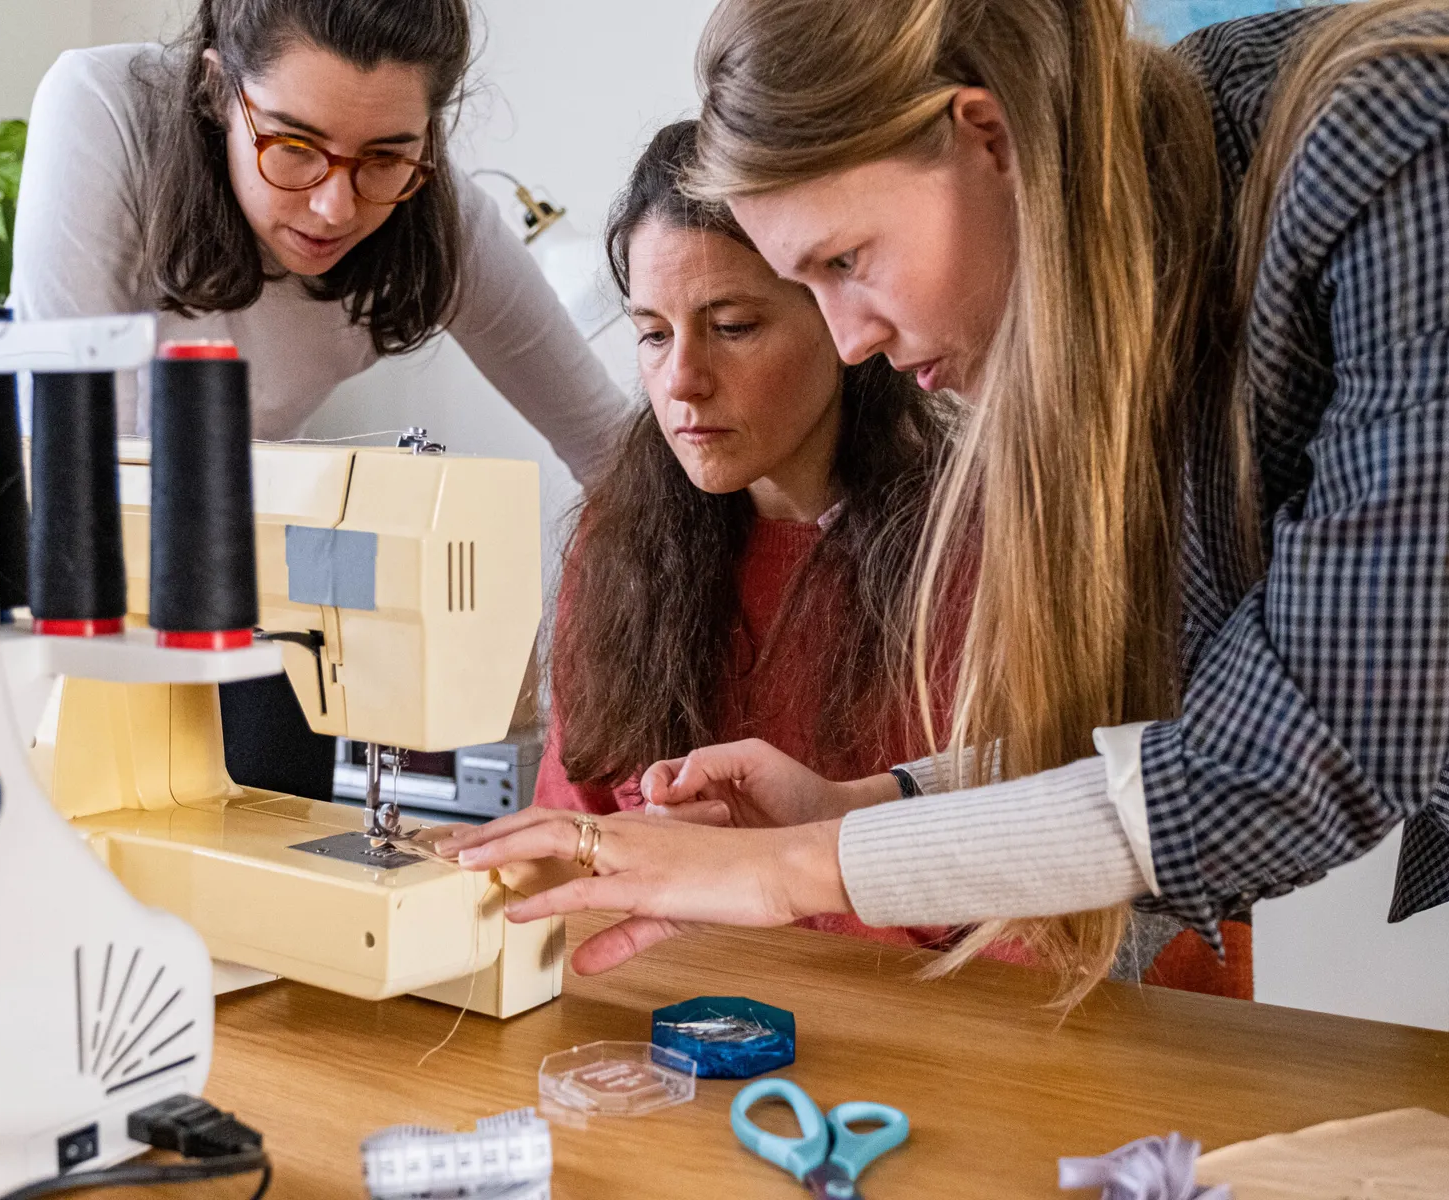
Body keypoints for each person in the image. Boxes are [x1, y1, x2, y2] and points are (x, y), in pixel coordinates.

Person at [440, 0, 1449, 1001]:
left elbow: (1300, 750)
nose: (849, 342)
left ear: (987, 137)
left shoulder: (1393, 141)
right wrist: (862, 807)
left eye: (846, 262)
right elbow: (1183, 730)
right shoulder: (1165, 216)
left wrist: (798, 867)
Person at [11, 0, 625, 798]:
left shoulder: (440, 223)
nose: (337, 206)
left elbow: (616, 455)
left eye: (384, 158)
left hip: (260, 602)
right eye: (295, 148)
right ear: (215, 88)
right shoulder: (107, 113)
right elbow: (86, 478)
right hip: (77, 588)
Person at [533, 121, 1020, 961]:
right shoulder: (618, 548)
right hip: (676, 1013)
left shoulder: (975, 552)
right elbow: (567, 839)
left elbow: (1028, 901)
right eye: (653, 334)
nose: (681, 379)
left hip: (927, 1038)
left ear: (842, 320)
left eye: (731, 326)